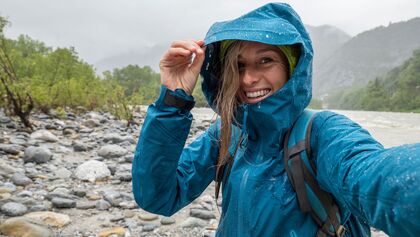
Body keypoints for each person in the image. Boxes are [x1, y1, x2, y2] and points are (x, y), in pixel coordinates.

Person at [132, 3, 420, 236]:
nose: (247, 78)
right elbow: (159, 196)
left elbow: (375, 176)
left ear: (292, 66)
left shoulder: (323, 133)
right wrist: (172, 100)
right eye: (239, 65)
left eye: (265, 60)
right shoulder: (228, 132)